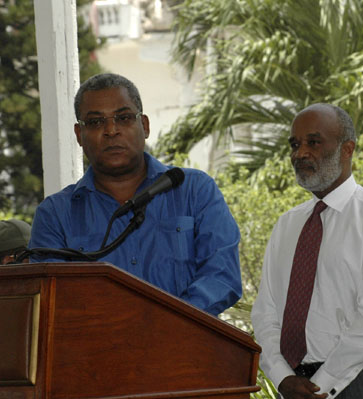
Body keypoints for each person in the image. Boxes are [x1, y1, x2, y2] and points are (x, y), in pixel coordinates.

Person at [29, 73, 242, 316]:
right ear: (79, 135)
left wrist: (168, 324)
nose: (111, 130)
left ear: (145, 126)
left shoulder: (194, 190)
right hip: (98, 350)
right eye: (96, 122)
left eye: (124, 118)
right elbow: (54, 301)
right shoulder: (55, 215)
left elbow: (222, 277)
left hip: (187, 347)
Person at [251, 103, 363, 399]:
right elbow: (265, 313)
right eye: (295, 145)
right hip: (295, 386)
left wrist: (320, 385)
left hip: (361, 382)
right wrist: (283, 378)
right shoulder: (287, 225)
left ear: (347, 149)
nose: (300, 154)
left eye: (313, 142)